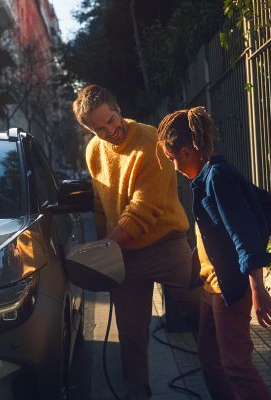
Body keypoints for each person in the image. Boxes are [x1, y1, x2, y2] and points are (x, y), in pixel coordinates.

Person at [72, 84, 192, 400]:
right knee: (131, 336)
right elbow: (99, 204)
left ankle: (226, 384)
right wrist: (105, 250)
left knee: (203, 313)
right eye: (99, 129)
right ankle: (136, 394)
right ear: (89, 130)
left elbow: (144, 208)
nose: (110, 130)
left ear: (118, 107)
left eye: (111, 120)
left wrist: (104, 248)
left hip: (167, 244)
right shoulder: (93, 151)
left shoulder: (152, 140)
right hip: (123, 253)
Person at [157, 107, 271, 400]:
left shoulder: (218, 178)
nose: (173, 166)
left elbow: (244, 234)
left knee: (236, 365)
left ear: (187, 152)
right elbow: (264, 203)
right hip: (210, 288)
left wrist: (258, 289)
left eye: (172, 158)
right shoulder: (205, 180)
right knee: (210, 358)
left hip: (230, 290)